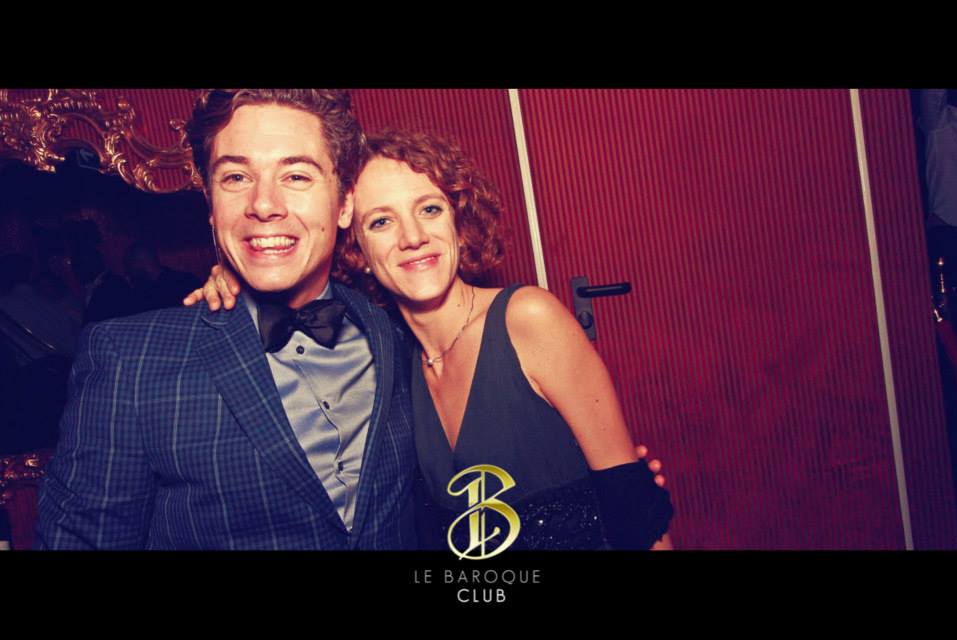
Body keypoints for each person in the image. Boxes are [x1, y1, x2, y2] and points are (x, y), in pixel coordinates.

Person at [192, 129, 673, 550]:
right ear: (357, 249)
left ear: (458, 223)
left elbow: (635, 508)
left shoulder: (528, 319)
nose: (413, 236)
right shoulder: (387, 356)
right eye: (381, 221)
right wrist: (237, 278)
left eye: (429, 208)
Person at [35, 89, 418, 549]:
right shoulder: (128, 360)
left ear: (344, 203)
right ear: (211, 204)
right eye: (236, 177)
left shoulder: (396, 332)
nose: (264, 205)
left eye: (296, 176)